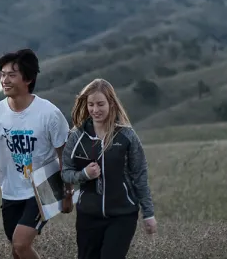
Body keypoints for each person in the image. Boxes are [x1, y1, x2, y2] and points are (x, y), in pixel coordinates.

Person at [0, 49, 73, 259]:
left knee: (20, 244)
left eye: (12, 75)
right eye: (2, 74)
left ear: (28, 78)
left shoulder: (49, 113)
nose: (4, 80)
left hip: (43, 187)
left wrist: (67, 193)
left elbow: (64, 155)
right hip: (10, 191)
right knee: (16, 250)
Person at [61, 78, 157, 259]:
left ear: (111, 103)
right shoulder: (76, 136)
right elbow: (65, 173)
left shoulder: (127, 135)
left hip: (122, 215)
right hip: (88, 216)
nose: (95, 110)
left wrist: (148, 214)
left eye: (100, 104)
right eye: (91, 105)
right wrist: (84, 175)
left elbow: (140, 176)